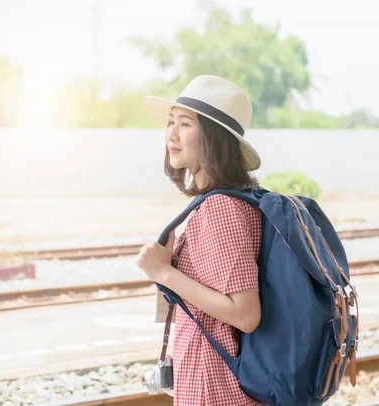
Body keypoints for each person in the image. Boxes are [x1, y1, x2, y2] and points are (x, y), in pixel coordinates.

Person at [136, 75, 265, 406]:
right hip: (219, 379)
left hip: (216, 386)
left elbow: (246, 313)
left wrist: (164, 273)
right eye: (170, 123)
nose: (172, 135)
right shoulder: (238, 200)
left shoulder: (220, 208)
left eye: (185, 123)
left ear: (213, 136)